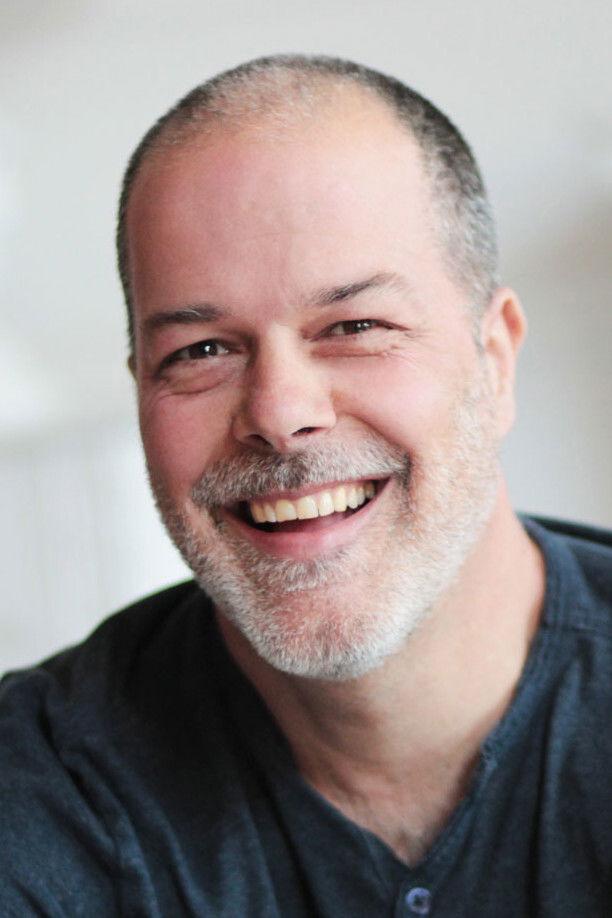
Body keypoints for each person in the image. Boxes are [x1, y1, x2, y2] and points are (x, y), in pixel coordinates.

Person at [1, 55, 611, 917]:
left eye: (355, 324)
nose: (280, 414)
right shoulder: (44, 782)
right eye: (200, 351)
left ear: (496, 359)